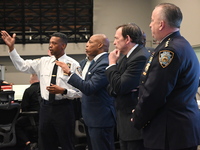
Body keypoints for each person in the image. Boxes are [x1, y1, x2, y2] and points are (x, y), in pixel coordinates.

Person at [132, 3, 200, 150]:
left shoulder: (169, 51)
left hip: (169, 132)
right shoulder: (182, 45)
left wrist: (138, 117)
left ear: (161, 24)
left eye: (152, 21)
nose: (150, 25)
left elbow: (155, 93)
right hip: (179, 130)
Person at [1, 31, 82, 150]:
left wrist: (64, 91)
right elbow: (22, 66)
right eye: (50, 43)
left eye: (54, 43)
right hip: (45, 108)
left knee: (67, 143)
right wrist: (12, 48)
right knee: (45, 143)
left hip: (63, 108)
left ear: (63, 46)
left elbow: (80, 92)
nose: (50, 45)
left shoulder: (73, 64)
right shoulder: (43, 62)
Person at [56, 34, 116, 150]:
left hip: (101, 118)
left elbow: (89, 88)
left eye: (90, 42)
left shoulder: (104, 63)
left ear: (100, 45)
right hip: (90, 117)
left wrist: (69, 73)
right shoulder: (88, 63)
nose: (86, 44)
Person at [105, 23, 150, 150]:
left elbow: (119, 86)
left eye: (116, 38)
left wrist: (112, 63)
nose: (114, 43)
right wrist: (119, 87)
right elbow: (111, 87)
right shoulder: (126, 58)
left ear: (128, 39)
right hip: (124, 122)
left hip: (133, 124)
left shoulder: (140, 57)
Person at [15, 74, 40, 150]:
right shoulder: (46, 89)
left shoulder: (29, 90)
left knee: (16, 124)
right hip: (45, 118)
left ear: (31, 81)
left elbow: (24, 107)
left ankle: (28, 143)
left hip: (32, 118)